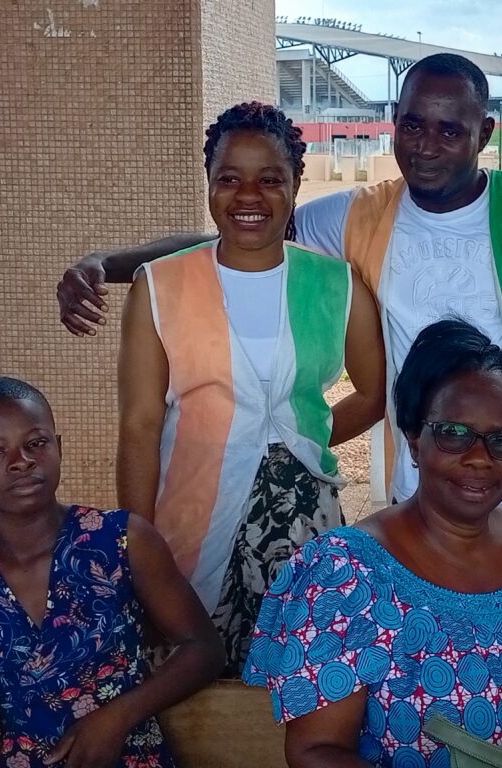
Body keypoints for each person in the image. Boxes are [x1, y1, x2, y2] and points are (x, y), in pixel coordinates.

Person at [56, 53, 502, 550]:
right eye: (412, 125)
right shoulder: (359, 215)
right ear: (395, 122)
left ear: (484, 133)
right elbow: (238, 235)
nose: (426, 146)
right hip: (423, 494)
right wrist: (107, 264)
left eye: (450, 131)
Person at [244, 319, 502, 767]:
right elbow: (317, 750)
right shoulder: (343, 576)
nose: (480, 458)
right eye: (454, 434)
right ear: (414, 440)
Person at [117, 102, 385, 674]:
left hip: (304, 519)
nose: (248, 196)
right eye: (229, 179)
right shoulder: (158, 287)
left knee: (303, 676)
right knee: (193, 678)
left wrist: (300, 436)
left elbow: (373, 393)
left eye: (269, 179)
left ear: (295, 185)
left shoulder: (336, 284)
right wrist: (138, 554)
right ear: (209, 182)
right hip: (190, 515)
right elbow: (139, 426)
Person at [0, 377, 225, 768]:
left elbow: (205, 648)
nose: (21, 461)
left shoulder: (120, 540)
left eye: (36, 443)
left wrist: (119, 716)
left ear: (58, 447)